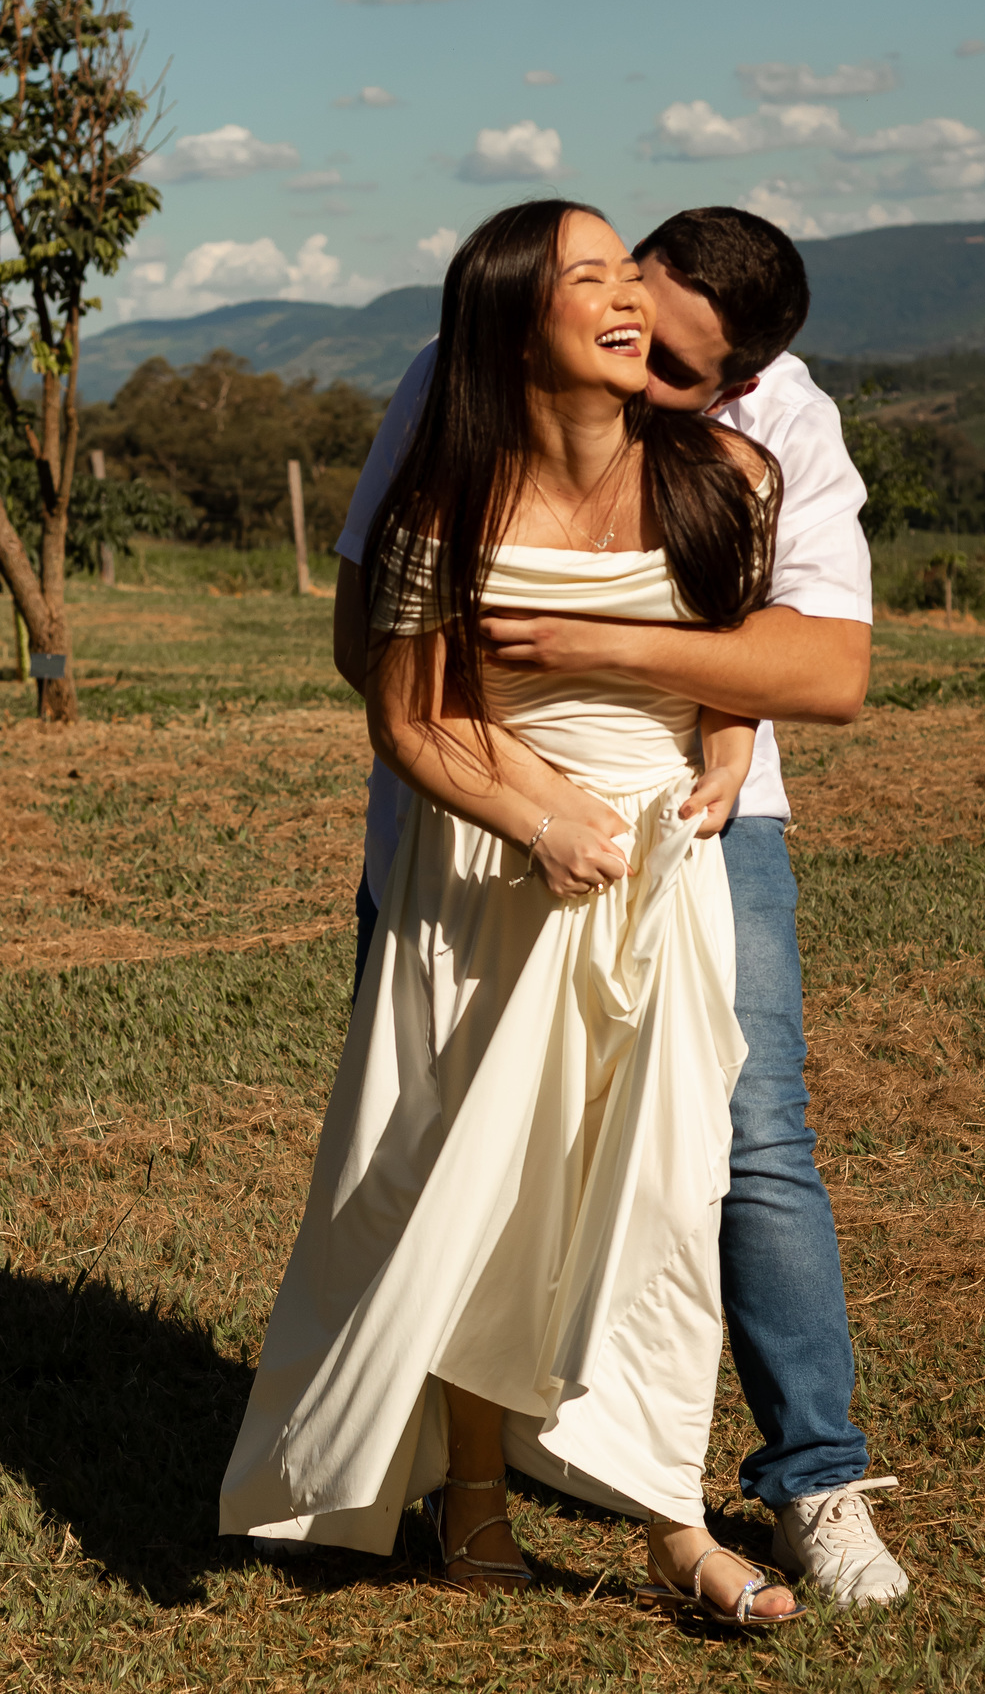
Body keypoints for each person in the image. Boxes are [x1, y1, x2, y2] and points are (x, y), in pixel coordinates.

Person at [221, 198, 804, 1625]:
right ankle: (472, 1492)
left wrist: (724, 740)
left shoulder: (729, 474)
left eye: (630, 273)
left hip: (659, 878)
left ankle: (669, 1520)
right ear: (507, 323)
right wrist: (540, 818)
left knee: (664, 1188)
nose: (629, 297)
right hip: (490, 871)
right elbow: (410, 722)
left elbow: (731, 653)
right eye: (587, 278)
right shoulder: (444, 504)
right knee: (490, 1179)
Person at [331, 206, 909, 1608]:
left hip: (699, 819)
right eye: (620, 300)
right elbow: (378, 652)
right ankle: (479, 1477)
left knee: (735, 1137)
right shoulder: (457, 378)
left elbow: (822, 674)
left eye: (684, 371)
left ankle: (805, 1479)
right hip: (476, 825)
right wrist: (531, 796)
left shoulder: (769, 445)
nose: (646, 362)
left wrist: (617, 661)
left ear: (736, 384)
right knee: (465, 1147)